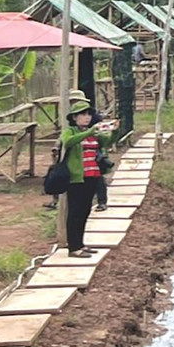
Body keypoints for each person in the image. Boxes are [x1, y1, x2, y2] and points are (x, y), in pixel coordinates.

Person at [57, 94, 120, 256]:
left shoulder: (93, 133)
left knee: (85, 211)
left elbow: (106, 143)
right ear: (74, 117)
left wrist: (113, 131)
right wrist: (90, 131)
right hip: (76, 178)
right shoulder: (69, 131)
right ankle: (73, 247)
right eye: (83, 115)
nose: (87, 117)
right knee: (75, 212)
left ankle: (81, 244)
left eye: (88, 114)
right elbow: (69, 142)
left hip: (92, 176)